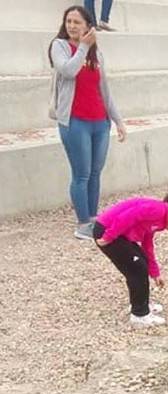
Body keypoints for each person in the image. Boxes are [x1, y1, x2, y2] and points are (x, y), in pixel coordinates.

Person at [49, 6, 127, 240]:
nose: (72, 26)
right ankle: (82, 223)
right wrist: (82, 46)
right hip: (74, 122)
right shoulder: (60, 46)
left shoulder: (96, 54)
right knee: (81, 174)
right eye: (69, 21)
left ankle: (93, 219)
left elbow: (105, 90)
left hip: (99, 122)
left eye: (77, 22)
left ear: (87, 26)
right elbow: (68, 70)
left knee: (95, 172)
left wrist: (118, 121)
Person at [93, 189, 168, 328]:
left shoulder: (160, 220)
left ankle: (141, 304)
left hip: (118, 234)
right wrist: (108, 236)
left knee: (142, 262)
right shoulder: (158, 210)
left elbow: (147, 245)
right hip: (107, 230)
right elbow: (129, 216)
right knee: (137, 269)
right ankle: (139, 315)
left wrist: (155, 272)